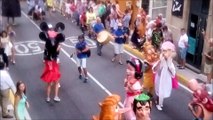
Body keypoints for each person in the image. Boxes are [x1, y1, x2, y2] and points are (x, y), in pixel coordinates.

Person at [152, 41, 176, 111]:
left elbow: (173, 73)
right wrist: (160, 62)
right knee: (159, 91)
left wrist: (168, 64)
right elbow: (156, 69)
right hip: (160, 78)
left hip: (166, 79)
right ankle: (158, 102)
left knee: (164, 91)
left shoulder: (170, 62)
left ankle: (160, 102)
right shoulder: (161, 60)